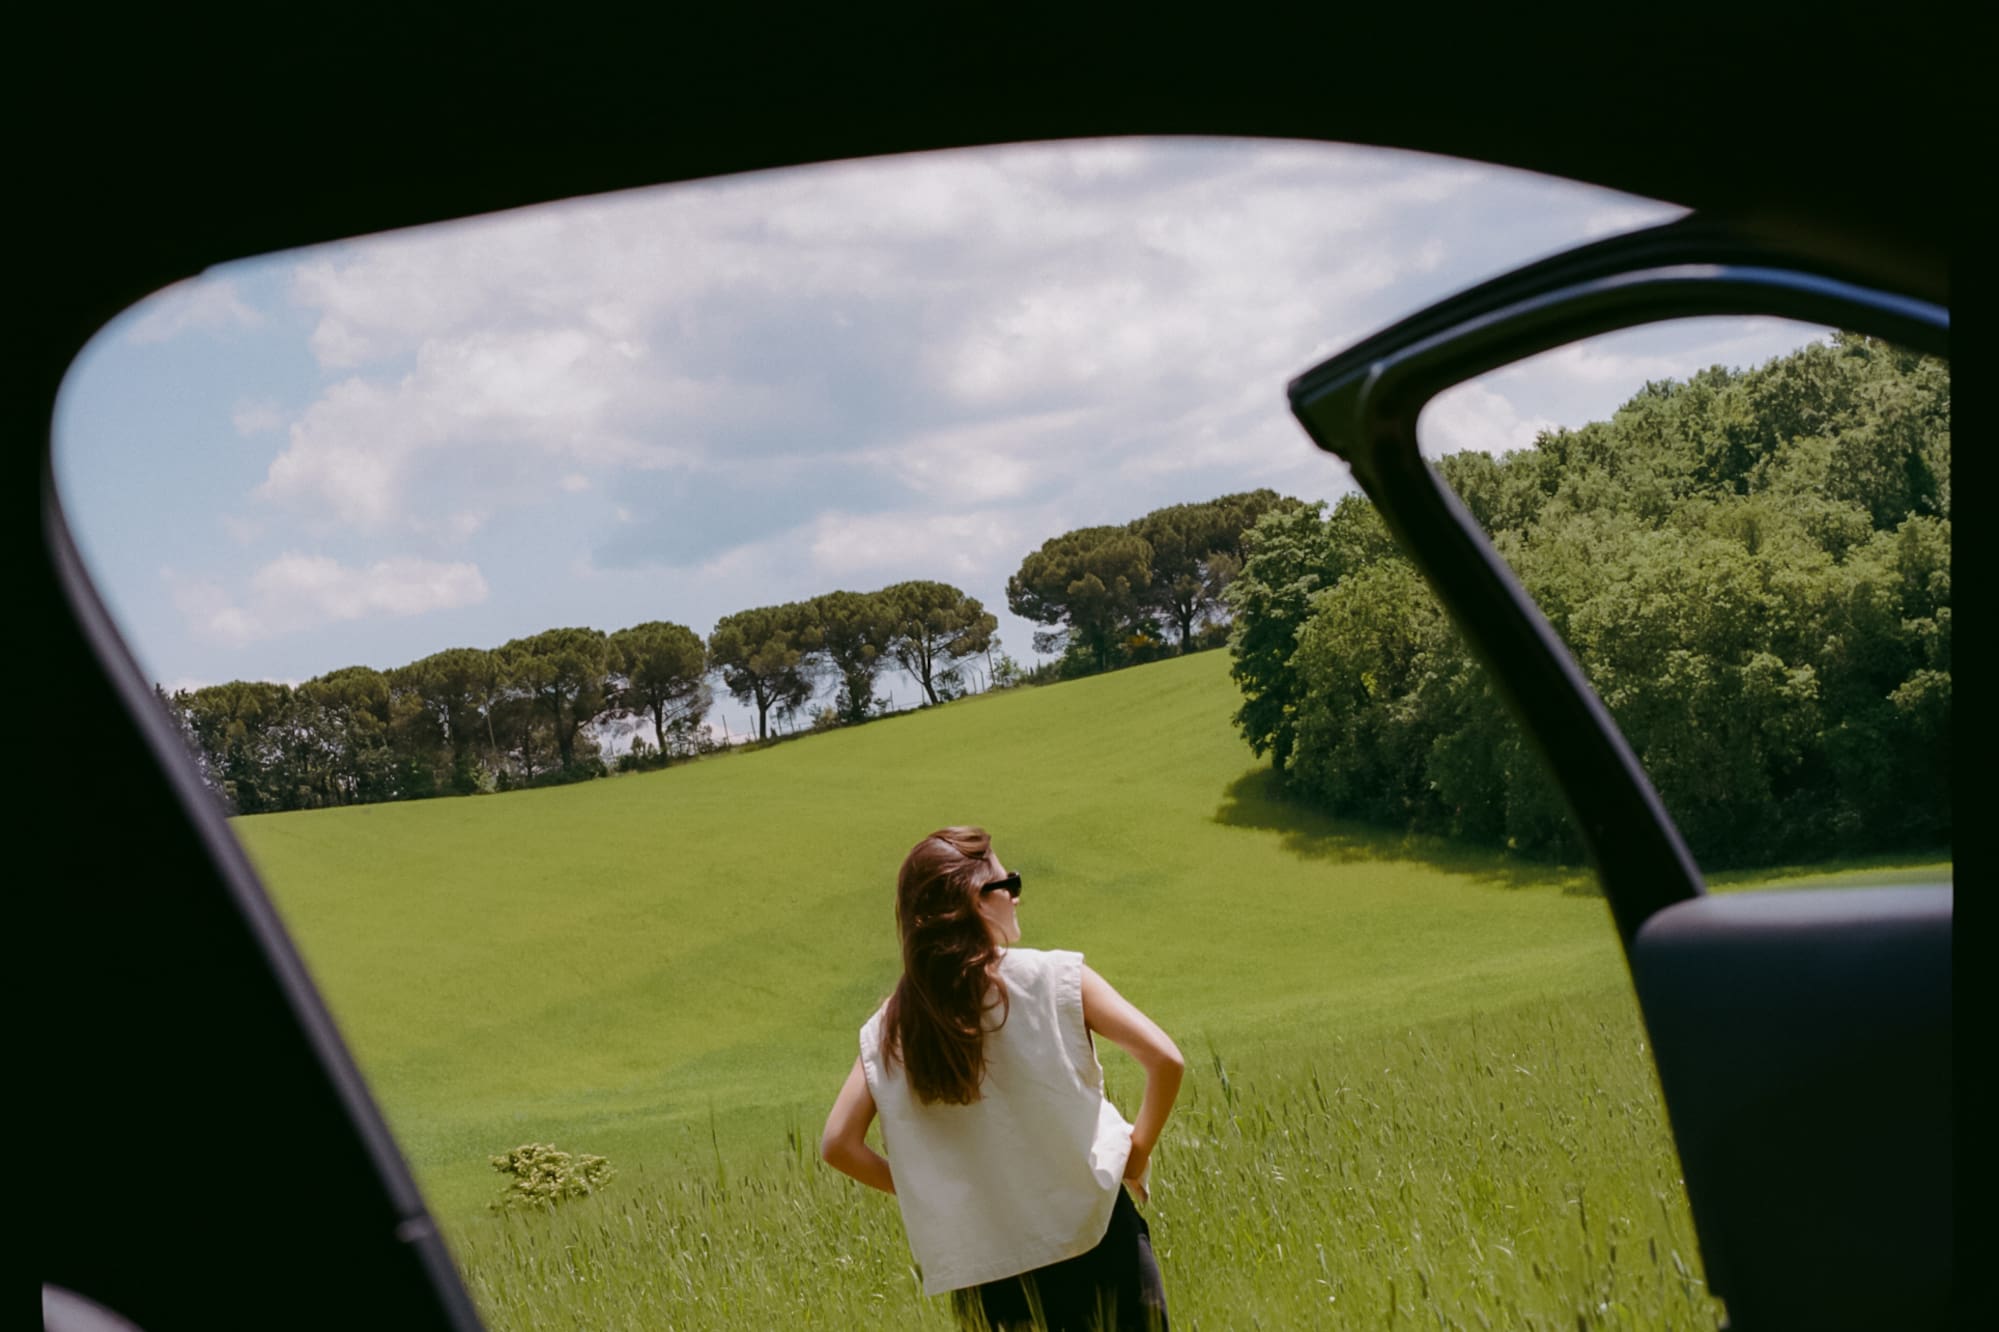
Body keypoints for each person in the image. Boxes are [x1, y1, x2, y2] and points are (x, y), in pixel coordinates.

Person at [820, 826, 1184, 1331]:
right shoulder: (1057, 976)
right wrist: (1137, 1154)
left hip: (989, 1273)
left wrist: (929, 1188)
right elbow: (1165, 1060)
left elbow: (838, 1143)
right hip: (1096, 1237)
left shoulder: (893, 1026)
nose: (1016, 896)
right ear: (975, 899)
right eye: (1007, 883)